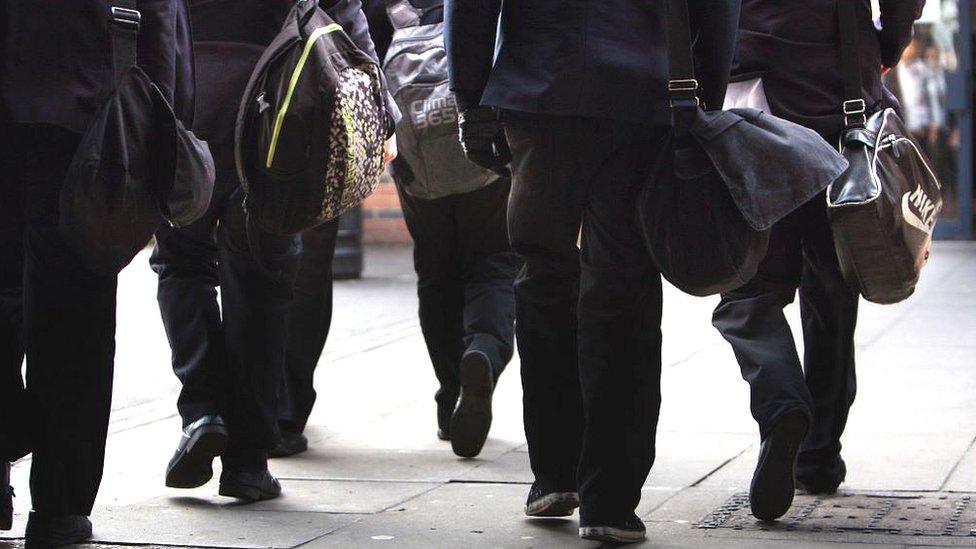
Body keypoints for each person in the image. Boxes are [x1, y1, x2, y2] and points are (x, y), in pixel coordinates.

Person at [445, 0, 738, 542]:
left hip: (540, 89)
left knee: (543, 276)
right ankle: (612, 499)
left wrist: (471, 98)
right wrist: (707, 95)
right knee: (625, 288)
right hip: (643, 96)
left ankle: (555, 473)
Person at [154, 0, 395, 499]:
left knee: (182, 261)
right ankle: (247, 462)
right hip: (278, 112)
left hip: (185, 100)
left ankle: (202, 412)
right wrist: (381, 108)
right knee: (262, 276)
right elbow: (342, 14)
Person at [712, 0, 924, 522]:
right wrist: (889, 42)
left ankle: (781, 400)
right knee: (832, 280)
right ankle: (818, 453)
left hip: (747, 89)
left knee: (748, 286)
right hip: (838, 82)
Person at [0, 1, 193, 546]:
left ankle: (18, 440)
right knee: (75, 318)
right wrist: (165, 125)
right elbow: (161, 22)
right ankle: (60, 506)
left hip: (73, 115)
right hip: (87, 118)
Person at [363, 0, 519, 459]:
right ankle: (485, 353)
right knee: (495, 264)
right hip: (485, 150)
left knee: (436, 275)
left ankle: (451, 392)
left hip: (419, 163)